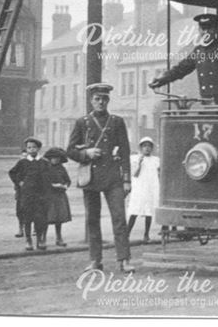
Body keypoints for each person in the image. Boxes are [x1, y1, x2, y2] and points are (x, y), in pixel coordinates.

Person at [67, 84, 134, 273]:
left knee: (119, 219)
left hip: (113, 178)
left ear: (108, 100)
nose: (101, 102)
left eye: (104, 98)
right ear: (91, 100)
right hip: (92, 178)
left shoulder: (117, 122)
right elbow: (70, 150)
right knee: (92, 220)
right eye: (97, 99)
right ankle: (95, 260)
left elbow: (125, 152)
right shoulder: (82, 123)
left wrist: (127, 179)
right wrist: (86, 153)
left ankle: (124, 259)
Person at [148, 13, 218, 105]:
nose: (206, 32)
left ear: (215, 30)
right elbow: (180, 69)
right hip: (206, 105)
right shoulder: (198, 51)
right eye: (203, 28)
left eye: (209, 28)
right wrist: (161, 80)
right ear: (199, 30)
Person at [8, 137, 50, 251]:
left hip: (40, 195)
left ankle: (40, 240)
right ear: (26, 149)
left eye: (34, 147)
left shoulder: (44, 162)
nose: (31, 150)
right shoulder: (22, 162)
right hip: (27, 194)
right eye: (29, 148)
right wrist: (19, 182)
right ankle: (28, 240)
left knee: (40, 218)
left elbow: (48, 176)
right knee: (27, 218)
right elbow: (12, 173)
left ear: (38, 149)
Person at [127, 137, 161, 244]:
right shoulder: (134, 158)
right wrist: (140, 163)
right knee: (135, 211)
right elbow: (135, 174)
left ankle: (146, 235)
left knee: (148, 212)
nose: (147, 148)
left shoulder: (156, 160)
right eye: (145, 146)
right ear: (141, 148)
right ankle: (126, 234)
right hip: (139, 188)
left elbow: (159, 173)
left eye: (149, 146)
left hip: (150, 188)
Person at [43, 147, 72, 248]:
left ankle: (59, 238)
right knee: (46, 218)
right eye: (54, 158)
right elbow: (42, 181)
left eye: (58, 158)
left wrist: (65, 185)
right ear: (50, 158)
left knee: (59, 218)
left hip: (60, 195)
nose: (56, 160)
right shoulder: (46, 168)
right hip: (49, 196)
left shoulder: (62, 168)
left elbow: (68, 180)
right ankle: (43, 239)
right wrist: (52, 185)